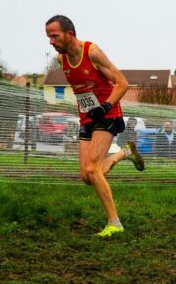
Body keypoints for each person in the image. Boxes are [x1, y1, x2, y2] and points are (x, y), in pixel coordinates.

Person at [45, 14, 145, 237]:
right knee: (87, 176)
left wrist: (106, 105)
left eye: (54, 36)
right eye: (48, 37)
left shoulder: (92, 52)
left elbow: (123, 83)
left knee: (92, 168)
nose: (51, 42)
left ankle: (114, 223)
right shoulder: (62, 60)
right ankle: (124, 153)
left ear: (69, 34)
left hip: (107, 114)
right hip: (87, 116)